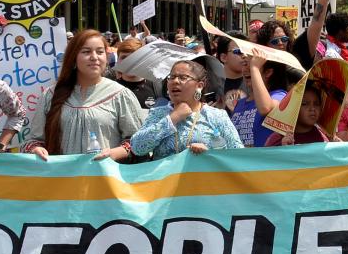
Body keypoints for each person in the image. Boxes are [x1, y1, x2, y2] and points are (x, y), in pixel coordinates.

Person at [24, 29, 144, 159]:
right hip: (62, 176)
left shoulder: (121, 95)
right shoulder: (51, 94)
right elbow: (33, 140)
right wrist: (36, 148)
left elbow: (138, 142)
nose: (94, 57)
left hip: (104, 176)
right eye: (86, 52)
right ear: (73, 57)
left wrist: (112, 154)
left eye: (100, 52)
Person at [128, 56, 243, 159]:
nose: (175, 81)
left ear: (199, 85)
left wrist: (210, 153)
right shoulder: (158, 113)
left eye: (183, 77)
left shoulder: (216, 116)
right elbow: (137, 148)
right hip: (165, 181)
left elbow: (238, 156)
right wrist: (172, 118)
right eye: (171, 77)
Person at [235, 49, 303, 147]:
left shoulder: (279, 96)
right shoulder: (239, 104)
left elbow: (265, 108)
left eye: (250, 65)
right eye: (244, 64)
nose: (246, 69)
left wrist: (254, 68)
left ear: (268, 73)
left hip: (266, 160)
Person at [265, 82, 331, 145]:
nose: (312, 109)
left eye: (316, 104)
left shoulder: (324, 139)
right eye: (305, 104)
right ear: (294, 107)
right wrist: (284, 150)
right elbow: (268, 156)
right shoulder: (279, 138)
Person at [112, 37, 160, 108]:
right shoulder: (111, 89)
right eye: (124, 57)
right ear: (118, 61)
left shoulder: (157, 87)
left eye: (134, 57)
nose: (129, 61)